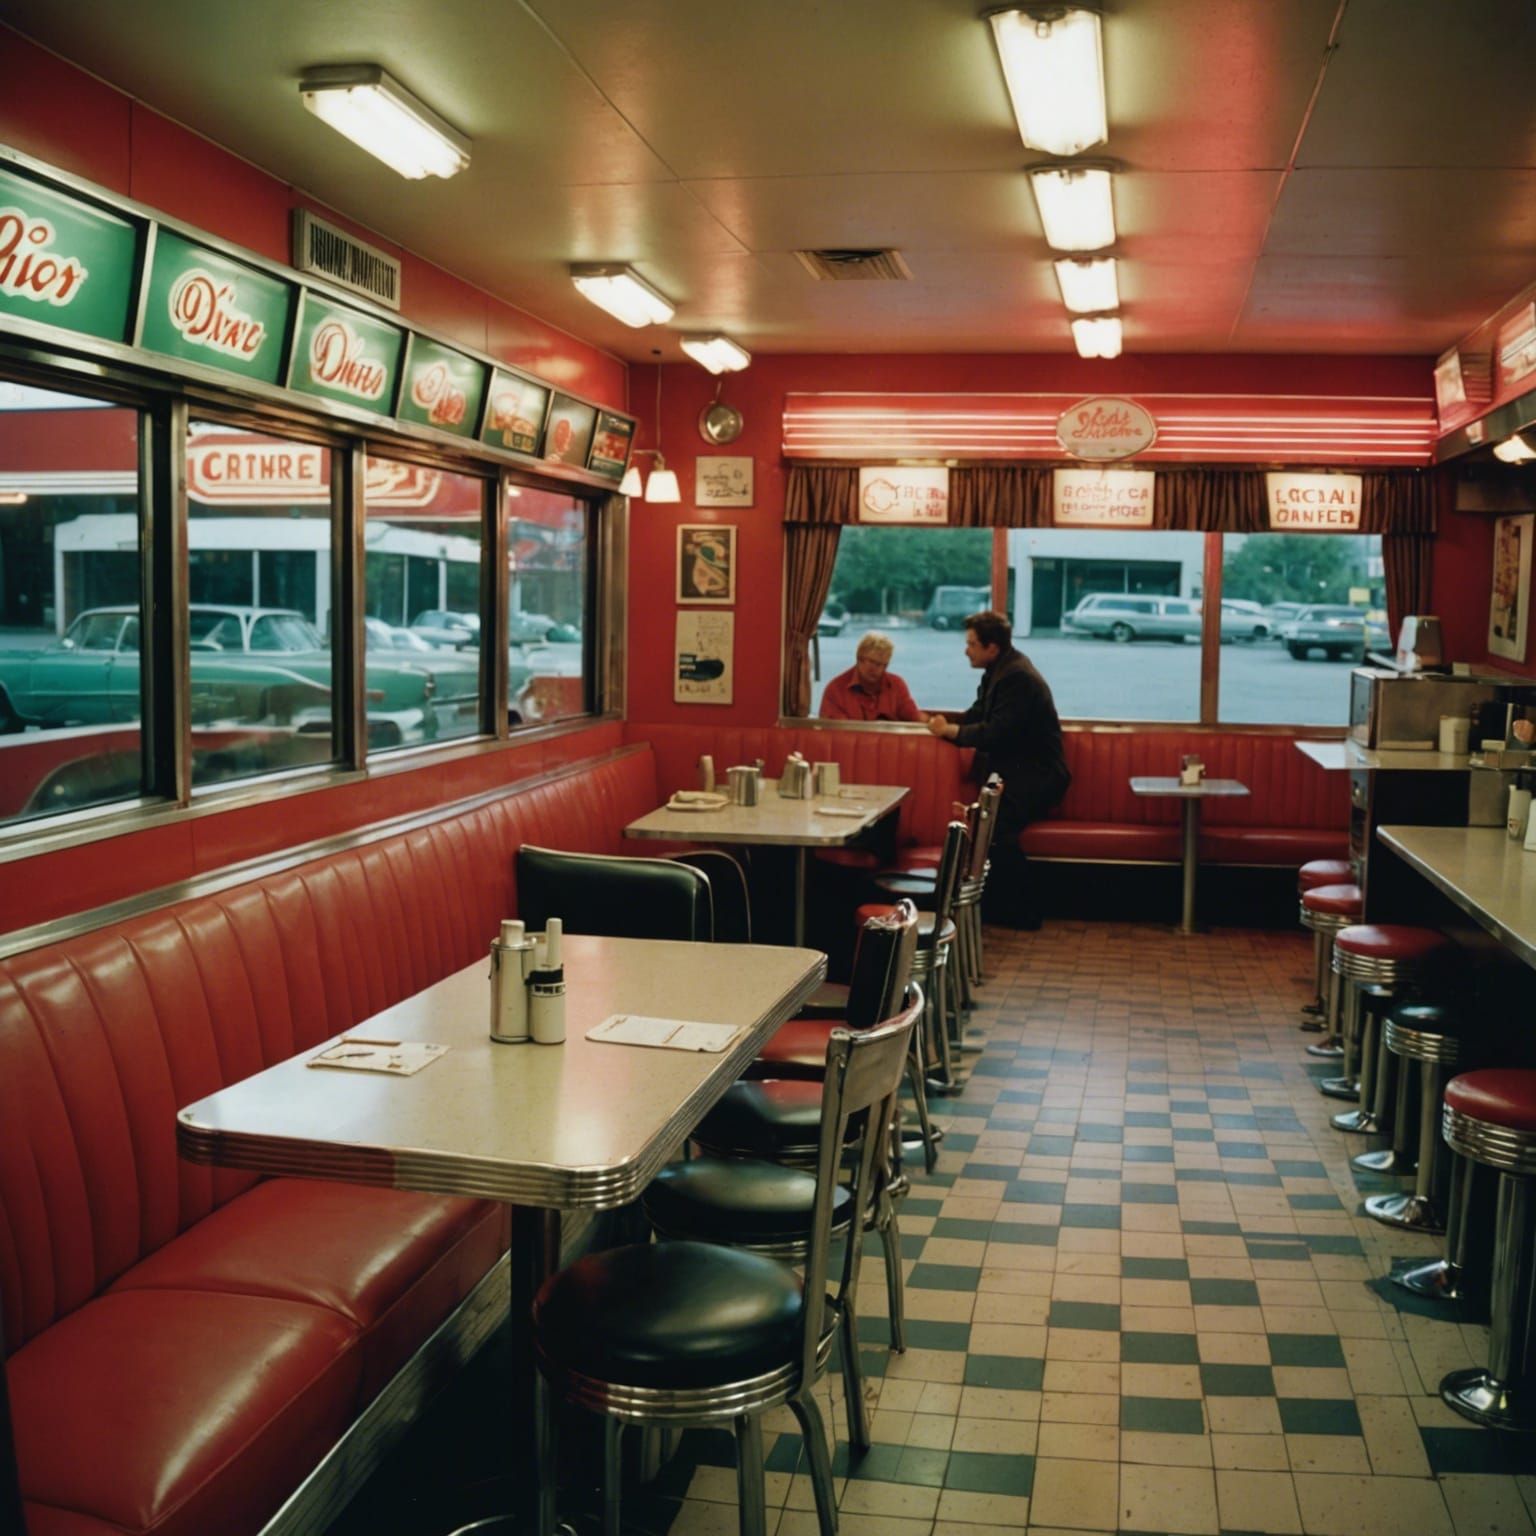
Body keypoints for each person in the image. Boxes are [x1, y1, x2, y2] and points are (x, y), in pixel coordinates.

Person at [926, 609, 1070, 928]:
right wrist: (947, 723)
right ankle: (1001, 908)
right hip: (1020, 773)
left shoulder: (1017, 676)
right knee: (989, 826)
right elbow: (978, 714)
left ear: (992, 647)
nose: (967, 650)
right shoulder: (998, 671)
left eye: (972, 644)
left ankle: (1024, 912)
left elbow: (997, 731)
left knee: (995, 828)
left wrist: (951, 732)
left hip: (1040, 776)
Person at [819, 631, 923, 722]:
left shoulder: (897, 685)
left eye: (884, 665)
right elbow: (833, 734)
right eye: (873, 663)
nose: (879, 669)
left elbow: (914, 717)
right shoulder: (835, 690)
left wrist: (931, 722)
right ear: (859, 659)